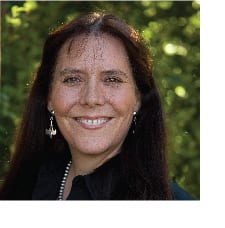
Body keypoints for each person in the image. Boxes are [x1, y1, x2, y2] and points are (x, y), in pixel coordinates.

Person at [0, 12, 194, 200]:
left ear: (138, 98)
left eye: (111, 79)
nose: (91, 98)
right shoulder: (23, 188)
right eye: (73, 79)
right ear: (49, 97)